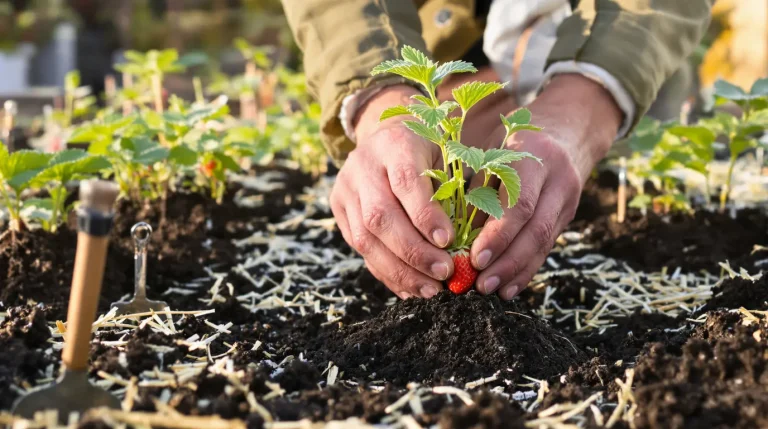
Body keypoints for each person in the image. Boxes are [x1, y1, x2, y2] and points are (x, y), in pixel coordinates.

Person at [280, 0, 713, 300]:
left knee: (570, 179)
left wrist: (585, 109)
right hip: (442, 49)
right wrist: (381, 106)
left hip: (620, 43)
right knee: (430, 180)